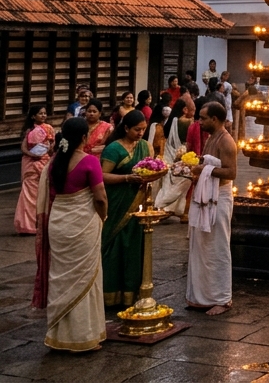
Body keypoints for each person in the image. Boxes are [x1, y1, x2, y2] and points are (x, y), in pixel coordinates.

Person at [32, 117, 108, 352]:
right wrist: (102, 217)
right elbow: (100, 197)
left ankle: (58, 335)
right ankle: (82, 337)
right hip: (81, 224)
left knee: (61, 276)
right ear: (85, 137)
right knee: (86, 277)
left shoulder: (53, 163)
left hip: (58, 222)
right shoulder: (89, 162)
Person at [186, 101, 237, 316]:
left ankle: (222, 298)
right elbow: (206, 164)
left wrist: (204, 169)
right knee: (201, 246)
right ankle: (202, 296)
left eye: (203, 118)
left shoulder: (226, 141)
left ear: (214, 120)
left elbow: (231, 173)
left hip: (220, 198)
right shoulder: (210, 138)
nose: (200, 121)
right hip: (206, 196)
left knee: (217, 247)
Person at [99, 110, 152, 307]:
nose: (140, 133)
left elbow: (152, 167)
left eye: (144, 129)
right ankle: (109, 293)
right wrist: (127, 178)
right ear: (126, 128)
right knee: (114, 247)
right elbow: (103, 176)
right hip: (117, 203)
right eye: (137, 129)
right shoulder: (114, 149)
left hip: (137, 202)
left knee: (133, 248)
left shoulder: (145, 146)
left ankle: (131, 293)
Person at [15, 105, 55, 235]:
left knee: (42, 193)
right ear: (33, 116)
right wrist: (32, 155)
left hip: (44, 161)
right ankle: (27, 225)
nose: (43, 115)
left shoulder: (49, 128)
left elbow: (52, 146)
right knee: (28, 194)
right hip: (31, 163)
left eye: (44, 113)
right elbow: (23, 147)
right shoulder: (29, 130)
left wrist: (47, 151)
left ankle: (39, 223)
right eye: (40, 113)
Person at [155, 98, 193, 222]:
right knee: (181, 184)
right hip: (181, 154)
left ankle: (164, 207)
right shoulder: (186, 122)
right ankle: (163, 206)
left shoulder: (169, 121)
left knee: (168, 183)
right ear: (184, 109)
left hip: (168, 154)